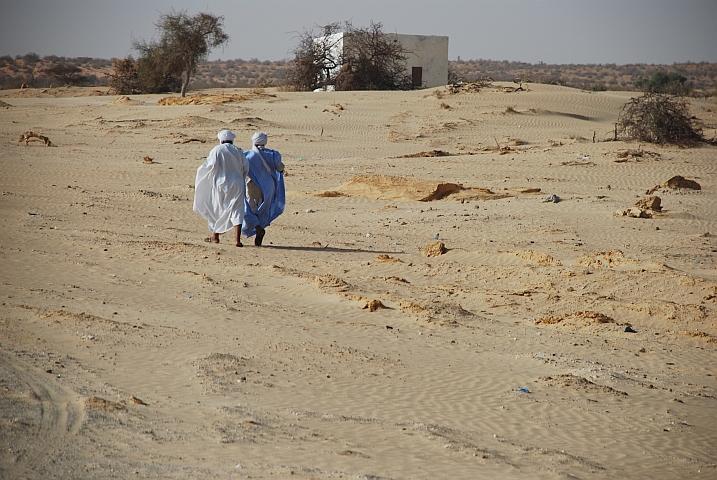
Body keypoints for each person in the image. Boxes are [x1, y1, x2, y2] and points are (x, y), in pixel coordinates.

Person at [193, 129, 250, 247]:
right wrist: (240, 177)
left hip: (221, 182)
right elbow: (245, 166)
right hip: (237, 182)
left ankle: (215, 236)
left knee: (217, 207)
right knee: (237, 209)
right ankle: (237, 240)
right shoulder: (239, 151)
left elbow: (210, 165)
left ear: (221, 140)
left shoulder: (217, 150)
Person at [242, 132, 286, 246]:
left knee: (248, 210)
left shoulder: (247, 155)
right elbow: (280, 167)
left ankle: (257, 228)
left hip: (253, 187)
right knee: (263, 211)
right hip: (269, 188)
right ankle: (259, 230)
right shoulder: (273, 154)